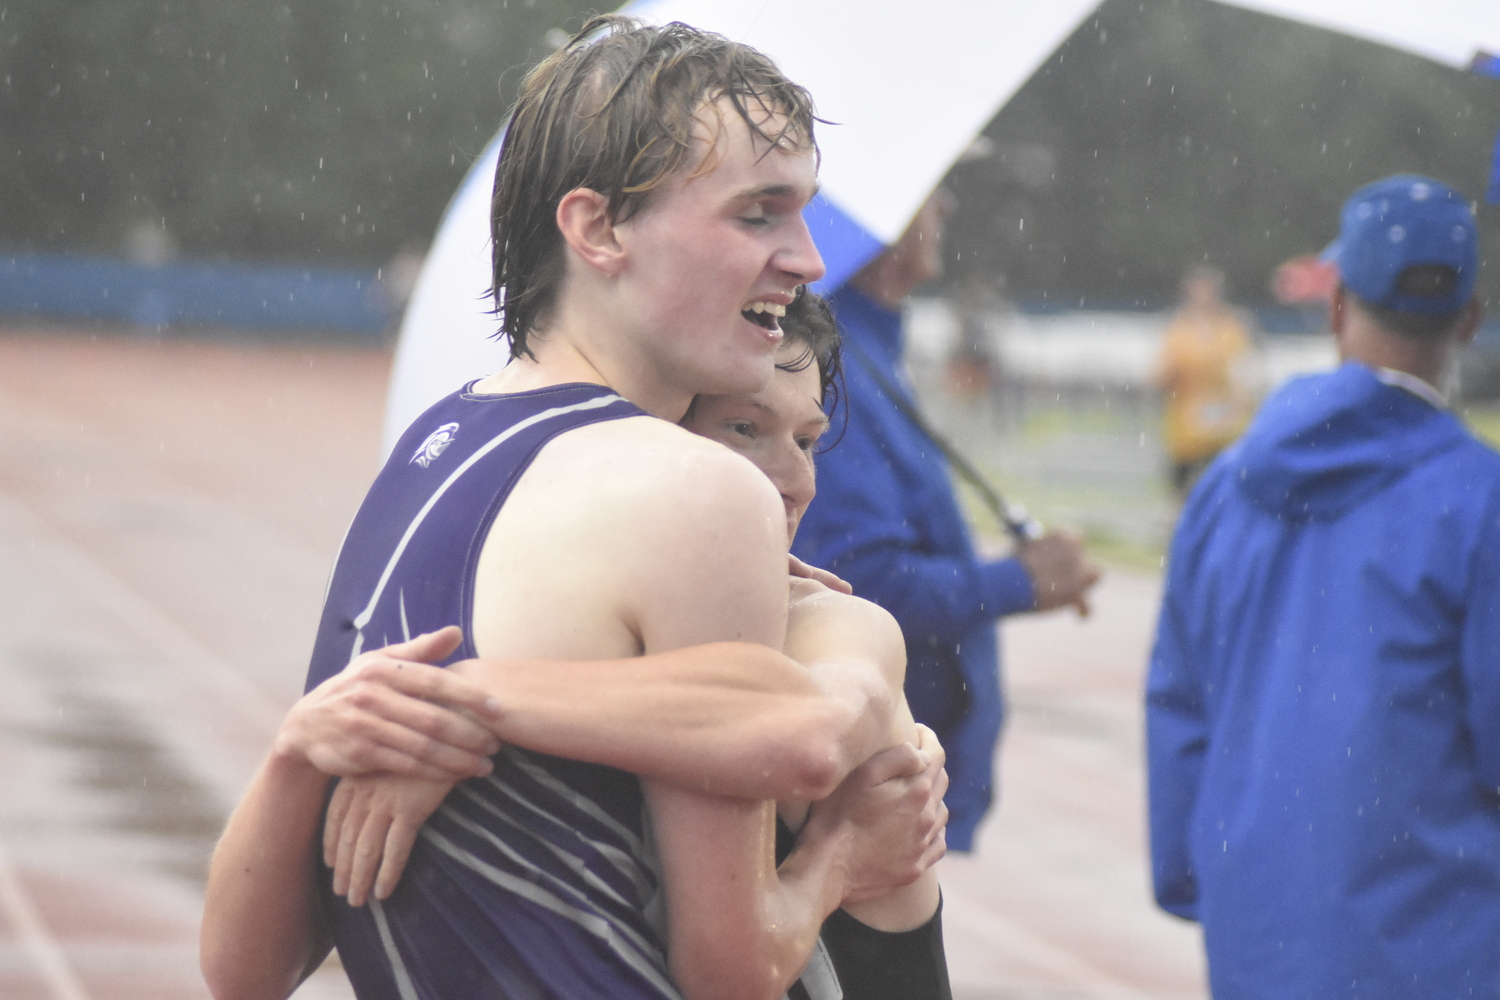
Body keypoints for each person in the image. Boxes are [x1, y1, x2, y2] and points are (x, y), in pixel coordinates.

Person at [203, 18, 943, 1000]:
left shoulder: (432, 450)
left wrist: (305, 746)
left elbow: (241, 974)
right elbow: (731, 970)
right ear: (595, 229)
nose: (807, 258)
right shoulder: (693, 493)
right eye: (759, 212)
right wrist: (842, 856)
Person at [1146, 174, 1500, 999]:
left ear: (1337, 307)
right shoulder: (1481, 501)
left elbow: (1179, 708)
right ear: (1471, 319)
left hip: (1259, 934)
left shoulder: (1223, 488)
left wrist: (1203, 879)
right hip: (1444, 943)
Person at [792, 192, 1101, 851]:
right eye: (933, 199)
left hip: (890, 768)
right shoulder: (829, 365)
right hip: (867, 781)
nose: (947, 209)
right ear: (890, 220)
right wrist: (1022, 581)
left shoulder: (863, 349)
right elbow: (859, 587)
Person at [1153, 264, 1255, 499]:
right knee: (1184, 494)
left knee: (1222, 494)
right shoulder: (1178, 332)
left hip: (1223, 432)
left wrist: (1237, 408)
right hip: (1185, 434)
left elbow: (1242, 375)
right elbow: (1160, 378)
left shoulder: (1231, 330)